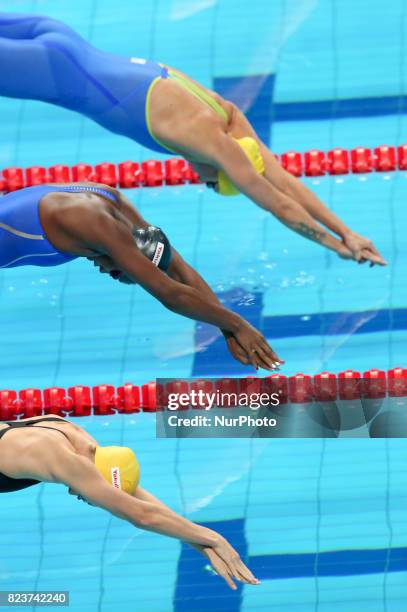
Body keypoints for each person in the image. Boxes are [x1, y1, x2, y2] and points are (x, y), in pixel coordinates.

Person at [0, 12, 386, 267]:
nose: (198, 176)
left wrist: (350, 232)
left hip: (61, 38)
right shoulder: (211, 142)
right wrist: (337, 245)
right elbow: (279, 203)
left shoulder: (227, 117)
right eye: (210, 182)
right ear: (222, 169)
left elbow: (282, 178)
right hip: (52, 73)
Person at [0, 181, 282, 371]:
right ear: (126, 258)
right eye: (118, 273)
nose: (103, 271)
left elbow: (180, 271)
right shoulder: (98, 227)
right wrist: (240, 324)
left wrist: (225, 329)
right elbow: (172, 294)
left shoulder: (114, 202)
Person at [0, 414, 258, 590]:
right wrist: (214, 538)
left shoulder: (73, 435)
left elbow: (137, 499)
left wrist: (196, 540)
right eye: (88, 497)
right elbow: (140, 516)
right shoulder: (67, 462)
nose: (76, 495)